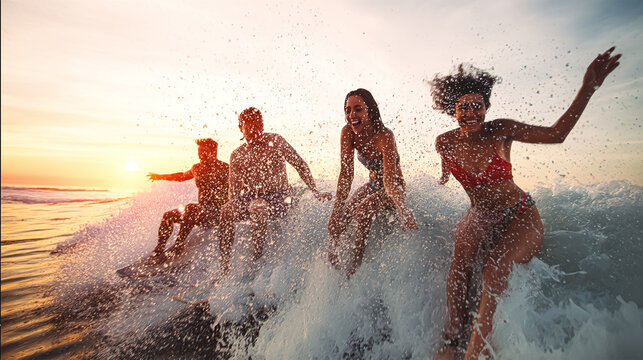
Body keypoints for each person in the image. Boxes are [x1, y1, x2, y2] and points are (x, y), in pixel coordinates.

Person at [430, 48, 621, 360]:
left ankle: (477, 353)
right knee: (459, 263)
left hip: (519, 214)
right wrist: (439, 182)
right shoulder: (444, 142)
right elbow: (447, 169)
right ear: (454, 110)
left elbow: (557, 135)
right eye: (464, 107)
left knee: (494, 267)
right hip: (481, 215)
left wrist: (588, 88)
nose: (471, 112)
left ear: (486, 108)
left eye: (478, 106)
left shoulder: (502, 130)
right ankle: (452, 340)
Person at [218, 107, 332, 275]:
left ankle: (257, 259)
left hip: (281, 196)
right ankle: (224, 266)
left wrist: (315, 191)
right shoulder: (238, 154)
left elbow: (299, 164)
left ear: (262, 126)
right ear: (240, 128)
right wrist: (232, 208)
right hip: (253, 196)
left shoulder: (275, 141)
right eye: (248, 127)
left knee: (257, 206)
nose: (253, 131)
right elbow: (233, 192)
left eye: (257, 126)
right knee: (226, 209)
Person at [327, 88, 419, 279]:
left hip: (393, 187)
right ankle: (334, 256)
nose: (352, 115)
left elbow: (390, 181)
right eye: (348, 110)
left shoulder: (384, 136)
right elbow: (346, 174)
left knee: (362, 211)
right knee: (342, 218)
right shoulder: (348, 133)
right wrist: (335, 212)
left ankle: (356, 265)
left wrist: (404, 212)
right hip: (373, 185)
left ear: (371, 111)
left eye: (358, 109)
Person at [146, 138, 229, 263]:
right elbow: (181, 176)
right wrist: (160, 176)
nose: (201, 155)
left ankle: (179, 244)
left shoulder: (224, 168)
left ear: (214, 152)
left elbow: (240, 185)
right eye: (199, 152)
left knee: (191, 208)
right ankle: (159, 248)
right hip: (199, 212)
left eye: (204, 152)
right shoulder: (197, 168)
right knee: (168, 215)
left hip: (218, 213)